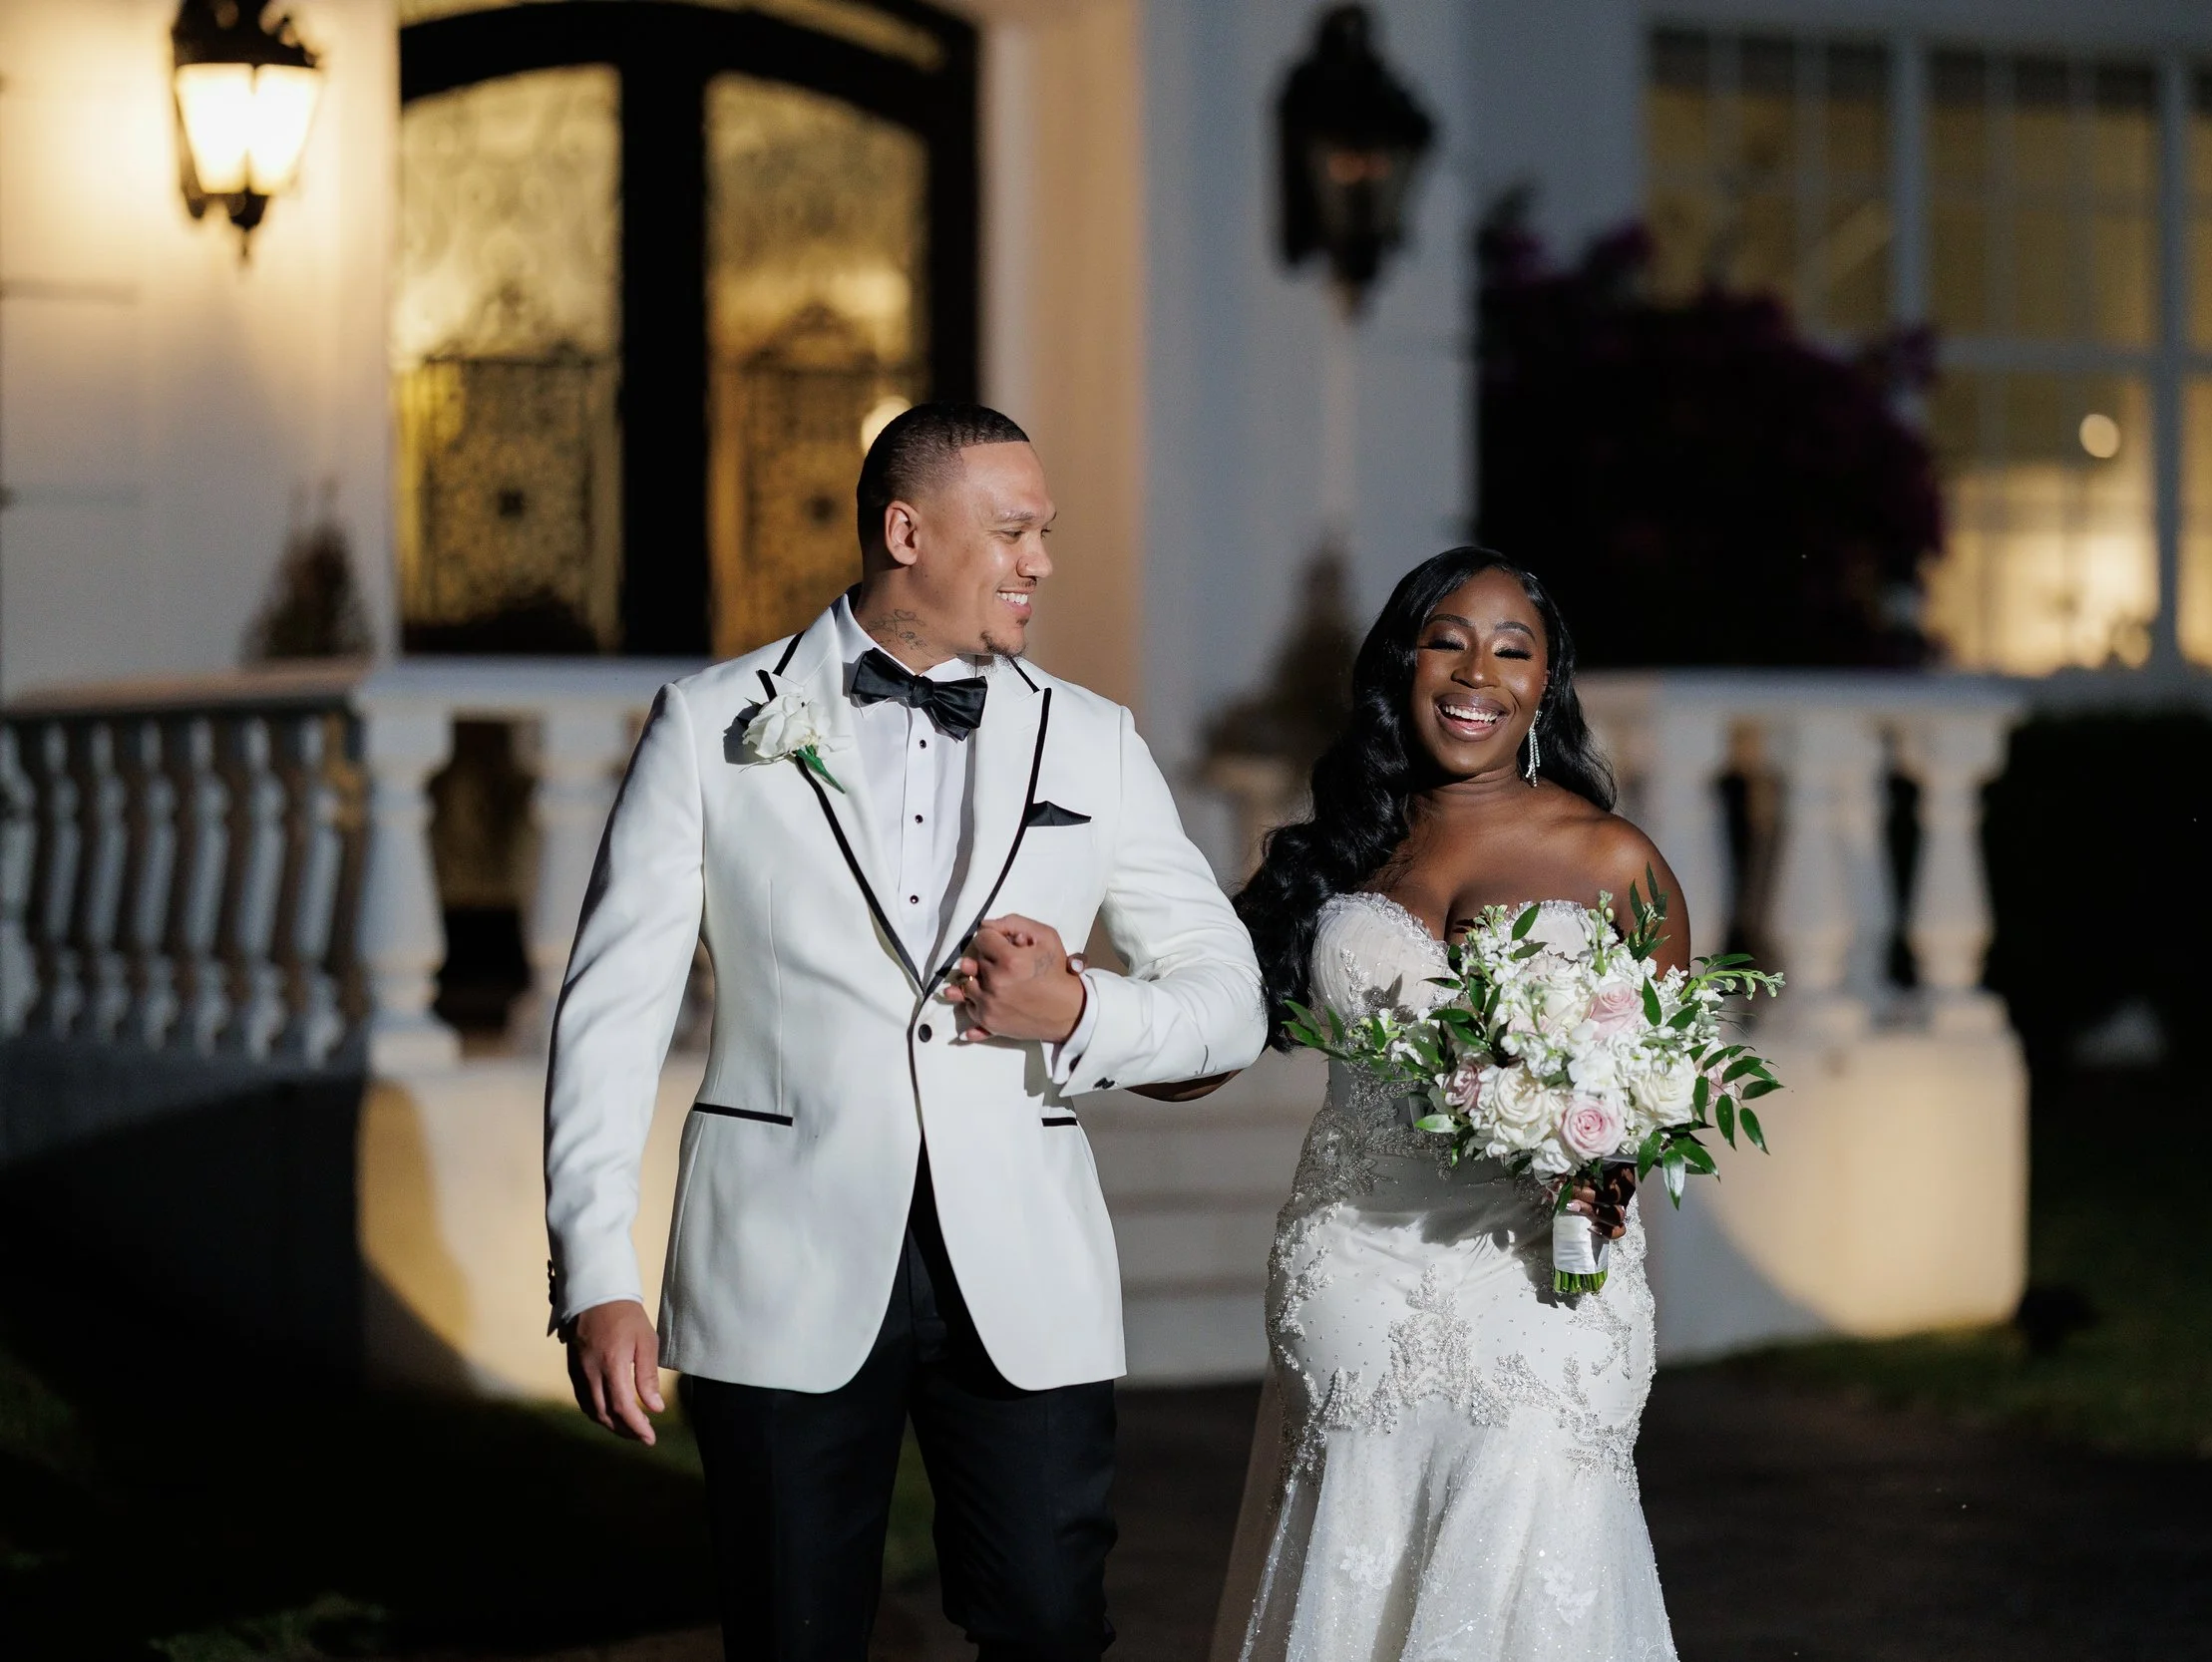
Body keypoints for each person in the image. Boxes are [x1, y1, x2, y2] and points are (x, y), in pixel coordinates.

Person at [543, 402, 1264, 1662]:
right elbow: (612, 1011)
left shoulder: (1089, 738)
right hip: (779, 1255)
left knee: (1048, 1623)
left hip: (1023, 1271)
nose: (1041, 559)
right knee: (792, 1634)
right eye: (1013, 529)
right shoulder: (712, 721)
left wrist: (1081, 1007)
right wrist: (595, 1266)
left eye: (1047, 530)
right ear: (904, 529)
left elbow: (1229, 998)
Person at [1215, 546, 1691, 1662]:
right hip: (1360, 1264)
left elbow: (1666, 1076)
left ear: (1543, 685)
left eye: (1512, 649)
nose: (1476, 671)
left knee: (1533, 1517)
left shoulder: (1613, 855)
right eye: (1447, 639)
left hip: (1543, 1271)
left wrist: (1600, 1167)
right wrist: (1074, 1014)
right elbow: (1203, 1043)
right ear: (1403, 664)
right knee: (1359, 1548)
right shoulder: (1342, 850)